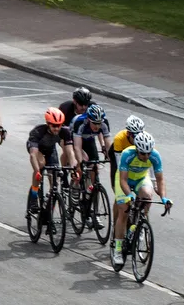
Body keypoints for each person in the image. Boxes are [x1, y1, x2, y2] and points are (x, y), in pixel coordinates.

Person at [112, 131, 170, 266]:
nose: (146, 156)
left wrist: (164, 198)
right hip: (124, 180)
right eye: (143, 153)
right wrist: (129, 194)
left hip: (141, 178)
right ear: (137, 149)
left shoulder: (155, 156)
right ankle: (118, 250)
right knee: (124, 210)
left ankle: (139, 223)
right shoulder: (127, 154)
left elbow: (160, 180)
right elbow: (123, 180)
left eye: (148, 153)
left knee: (147, 196)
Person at [26, 107, 75, 214]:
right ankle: (34, 196)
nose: (57, 128)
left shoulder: (65, 131)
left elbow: (70, 152)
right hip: (37, 149)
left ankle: (48, 214)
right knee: (41, 163)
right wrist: (37, 171)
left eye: (59, 125)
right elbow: (33, 155)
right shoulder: (38, 131)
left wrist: (73, 168)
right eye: (54, 126)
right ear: (48, 123)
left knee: (55, 182)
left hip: (50, 149)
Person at [71, 103, 112, 194]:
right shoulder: (80, 122)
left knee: (95, 166)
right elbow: (77, 147)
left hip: (89, 139)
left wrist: (110, 157)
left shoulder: (104, 123)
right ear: (89, 120)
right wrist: (80, 163)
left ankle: (91, 190)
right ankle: (75, 185)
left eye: (99, 123)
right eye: (94, 123)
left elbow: (108, 143)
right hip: (75, 139)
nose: (97, 126)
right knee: (83, 160)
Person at [110, 115, 145, 182]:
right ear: (128, 133)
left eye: (140, 136)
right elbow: (119, 164)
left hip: (132, 152)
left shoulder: (145, 138)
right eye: (135, 136)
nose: (138, 139)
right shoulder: (119, 138)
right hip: (119, 152)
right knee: (117, 177)